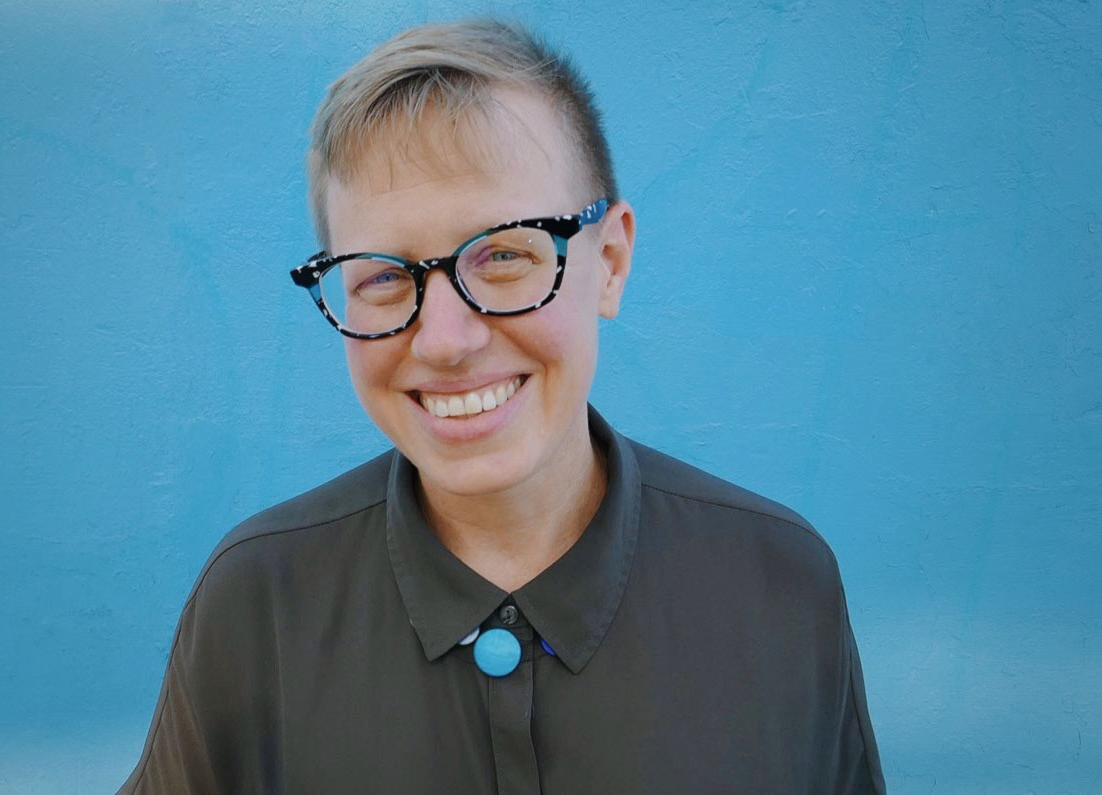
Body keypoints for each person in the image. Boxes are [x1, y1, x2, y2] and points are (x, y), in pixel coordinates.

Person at [122, 18, 885, 794]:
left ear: (611, 262)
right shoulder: (257, 604)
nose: (447, 339)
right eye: (383, 275)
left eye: (507, 254)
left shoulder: (780, 586)